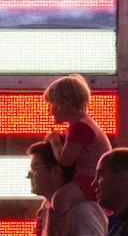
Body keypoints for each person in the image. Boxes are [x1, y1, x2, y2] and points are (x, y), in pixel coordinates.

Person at [44, 74, 111, 202]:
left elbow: (65, 160)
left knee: (59, 200)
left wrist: (54, 140)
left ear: (65, 103)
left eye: (52, 104)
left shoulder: (79, 128)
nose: (49, 110)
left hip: (90, 182)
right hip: (91, 180)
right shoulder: (83, 123)